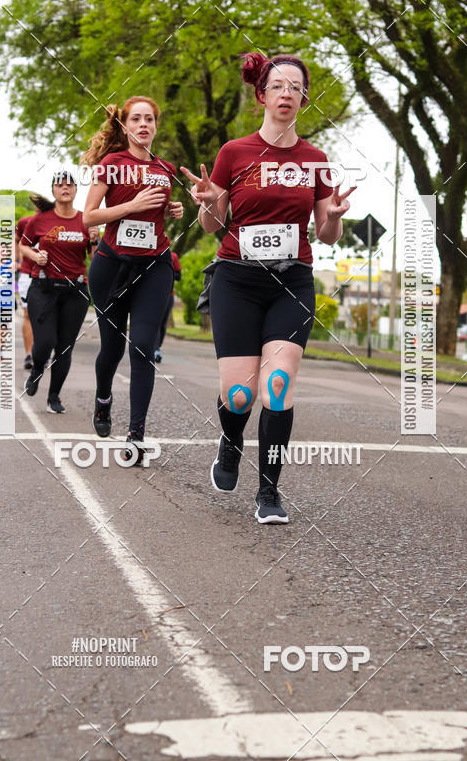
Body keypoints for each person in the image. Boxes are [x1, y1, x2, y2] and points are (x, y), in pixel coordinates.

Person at [182, 52, 355, 524]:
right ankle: (231, 442)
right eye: (277, 86)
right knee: (239, 394)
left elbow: (324, 233)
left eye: (295, 87)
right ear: (262, 95)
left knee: (278, 386)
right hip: (237, 279)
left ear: (304, 98)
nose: (286, 93)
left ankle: (270, 493)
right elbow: (213, 223)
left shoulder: (315, 160)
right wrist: (208, 202)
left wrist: (335, 219)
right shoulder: (234, 153)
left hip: (291, 281)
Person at [82, 97, 183, 458]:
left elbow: (155, 215)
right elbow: (89, 218)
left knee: (142, 347)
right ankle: (103, 398)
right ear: (124, 127)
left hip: (154, 266)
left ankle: (136, 434)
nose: (143, 124)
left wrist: (171, 209)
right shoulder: (111, 165)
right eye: (136, 119)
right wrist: (131, 206)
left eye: (149, 119)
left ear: (156, 126)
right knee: (112, 349)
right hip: (111, 267)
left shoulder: (165, 168)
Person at [20, 171, 96, 413]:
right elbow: (23, 245)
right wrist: (36, 256)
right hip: (43, 288)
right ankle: (37, 369)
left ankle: (54, 396)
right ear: (53, 191)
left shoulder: (87, 220)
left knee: (64, 347)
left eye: (70, 184)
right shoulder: (40, 220)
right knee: (45, 342)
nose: (65, 188)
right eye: (60, 185)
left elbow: (95, 258)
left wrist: (94, 241)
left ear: (75, 190)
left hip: (75, 291)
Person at [15, 213, 37, 369]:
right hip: (27, 275)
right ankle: (29, 354)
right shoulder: (24, 222)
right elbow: (15, 240)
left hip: (50, 276)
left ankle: (43, 352)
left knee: (47, 316)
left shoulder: (57, 221)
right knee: (28, 314)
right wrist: (16, 261)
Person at [154, 249, 181, 362]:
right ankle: (154, 350)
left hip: (169, 294)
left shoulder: (173, 256)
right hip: (153, 294)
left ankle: (157, 348)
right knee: (155, 322)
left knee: (162, 324)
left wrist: (166, 271)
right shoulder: (152, 254)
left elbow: (179, 276)